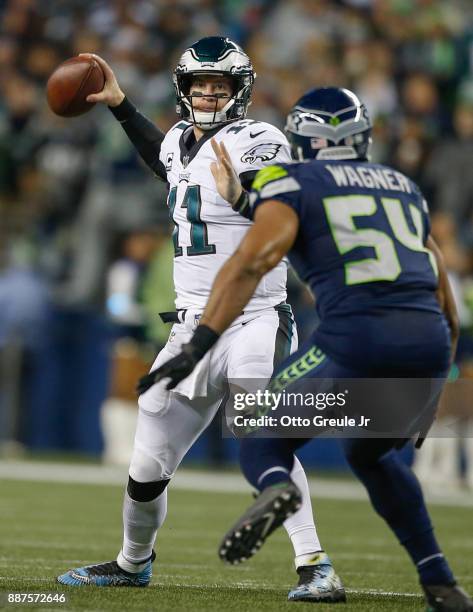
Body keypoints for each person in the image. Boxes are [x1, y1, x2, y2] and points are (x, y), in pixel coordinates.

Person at [147, 87, 473, 611]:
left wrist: (200, 342)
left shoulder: (291, 180)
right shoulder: (402, 186)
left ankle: (280, 488)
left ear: (302, 138)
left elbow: (254, 259)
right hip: (428, 343)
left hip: (357, 338)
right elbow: (445, 297)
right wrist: (435, 387)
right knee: (371, 456)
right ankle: (437, 576)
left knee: (259, 432)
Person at [57, 37, 345, 602]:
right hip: (190, 325)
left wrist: (239, 197)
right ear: (184, 91)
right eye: (199, 86)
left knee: (263, 431)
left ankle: (316, 565)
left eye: (219, 86)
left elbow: (283, 217)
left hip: (254, 315)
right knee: (147, 459)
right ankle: (132, 562)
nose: (208, 94)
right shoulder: (176, 141)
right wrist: (120, 106)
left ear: (240, 91)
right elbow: (163, 162)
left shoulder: (259, 138)